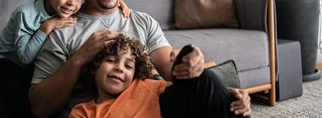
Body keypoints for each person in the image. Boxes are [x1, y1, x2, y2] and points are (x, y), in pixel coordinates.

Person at [29, 0, 251, 118]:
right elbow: (39, 108)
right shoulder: (62, 30)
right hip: (107, 113)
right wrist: (79, 59)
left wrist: (199, 69)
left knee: (210, 83)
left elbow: (172, 71)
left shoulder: (142, 21)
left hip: (153, 106)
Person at [0, 0, 129, 117]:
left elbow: (99, 0)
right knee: (22, 105)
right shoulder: (25, 14)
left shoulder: (66, 7)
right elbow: (25, 58)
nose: (72, 3)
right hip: (8, 62)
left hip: (32, 60)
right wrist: (47, 27)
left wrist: (120, 2)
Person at [69, 33, 247, 118]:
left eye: (128, 65)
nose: (120, 68)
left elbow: (196, 91)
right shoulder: (84, 112)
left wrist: (232, 93)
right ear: (94, 67)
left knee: (204, 77)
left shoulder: (144, 85)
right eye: (111, 60)